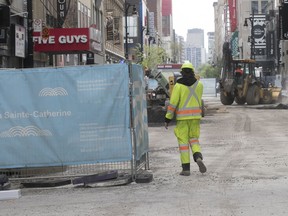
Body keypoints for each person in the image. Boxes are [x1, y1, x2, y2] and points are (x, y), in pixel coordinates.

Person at [164, 61, 206, 176]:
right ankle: (198, 156)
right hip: (196, 118)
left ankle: (186, 169)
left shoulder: (178, 86)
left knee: (183, 143)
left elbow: (172, 104)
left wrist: (168, 119)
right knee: (194, 139)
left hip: (182, 119)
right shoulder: (200, 85)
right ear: (193, 72)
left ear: (182, 73)